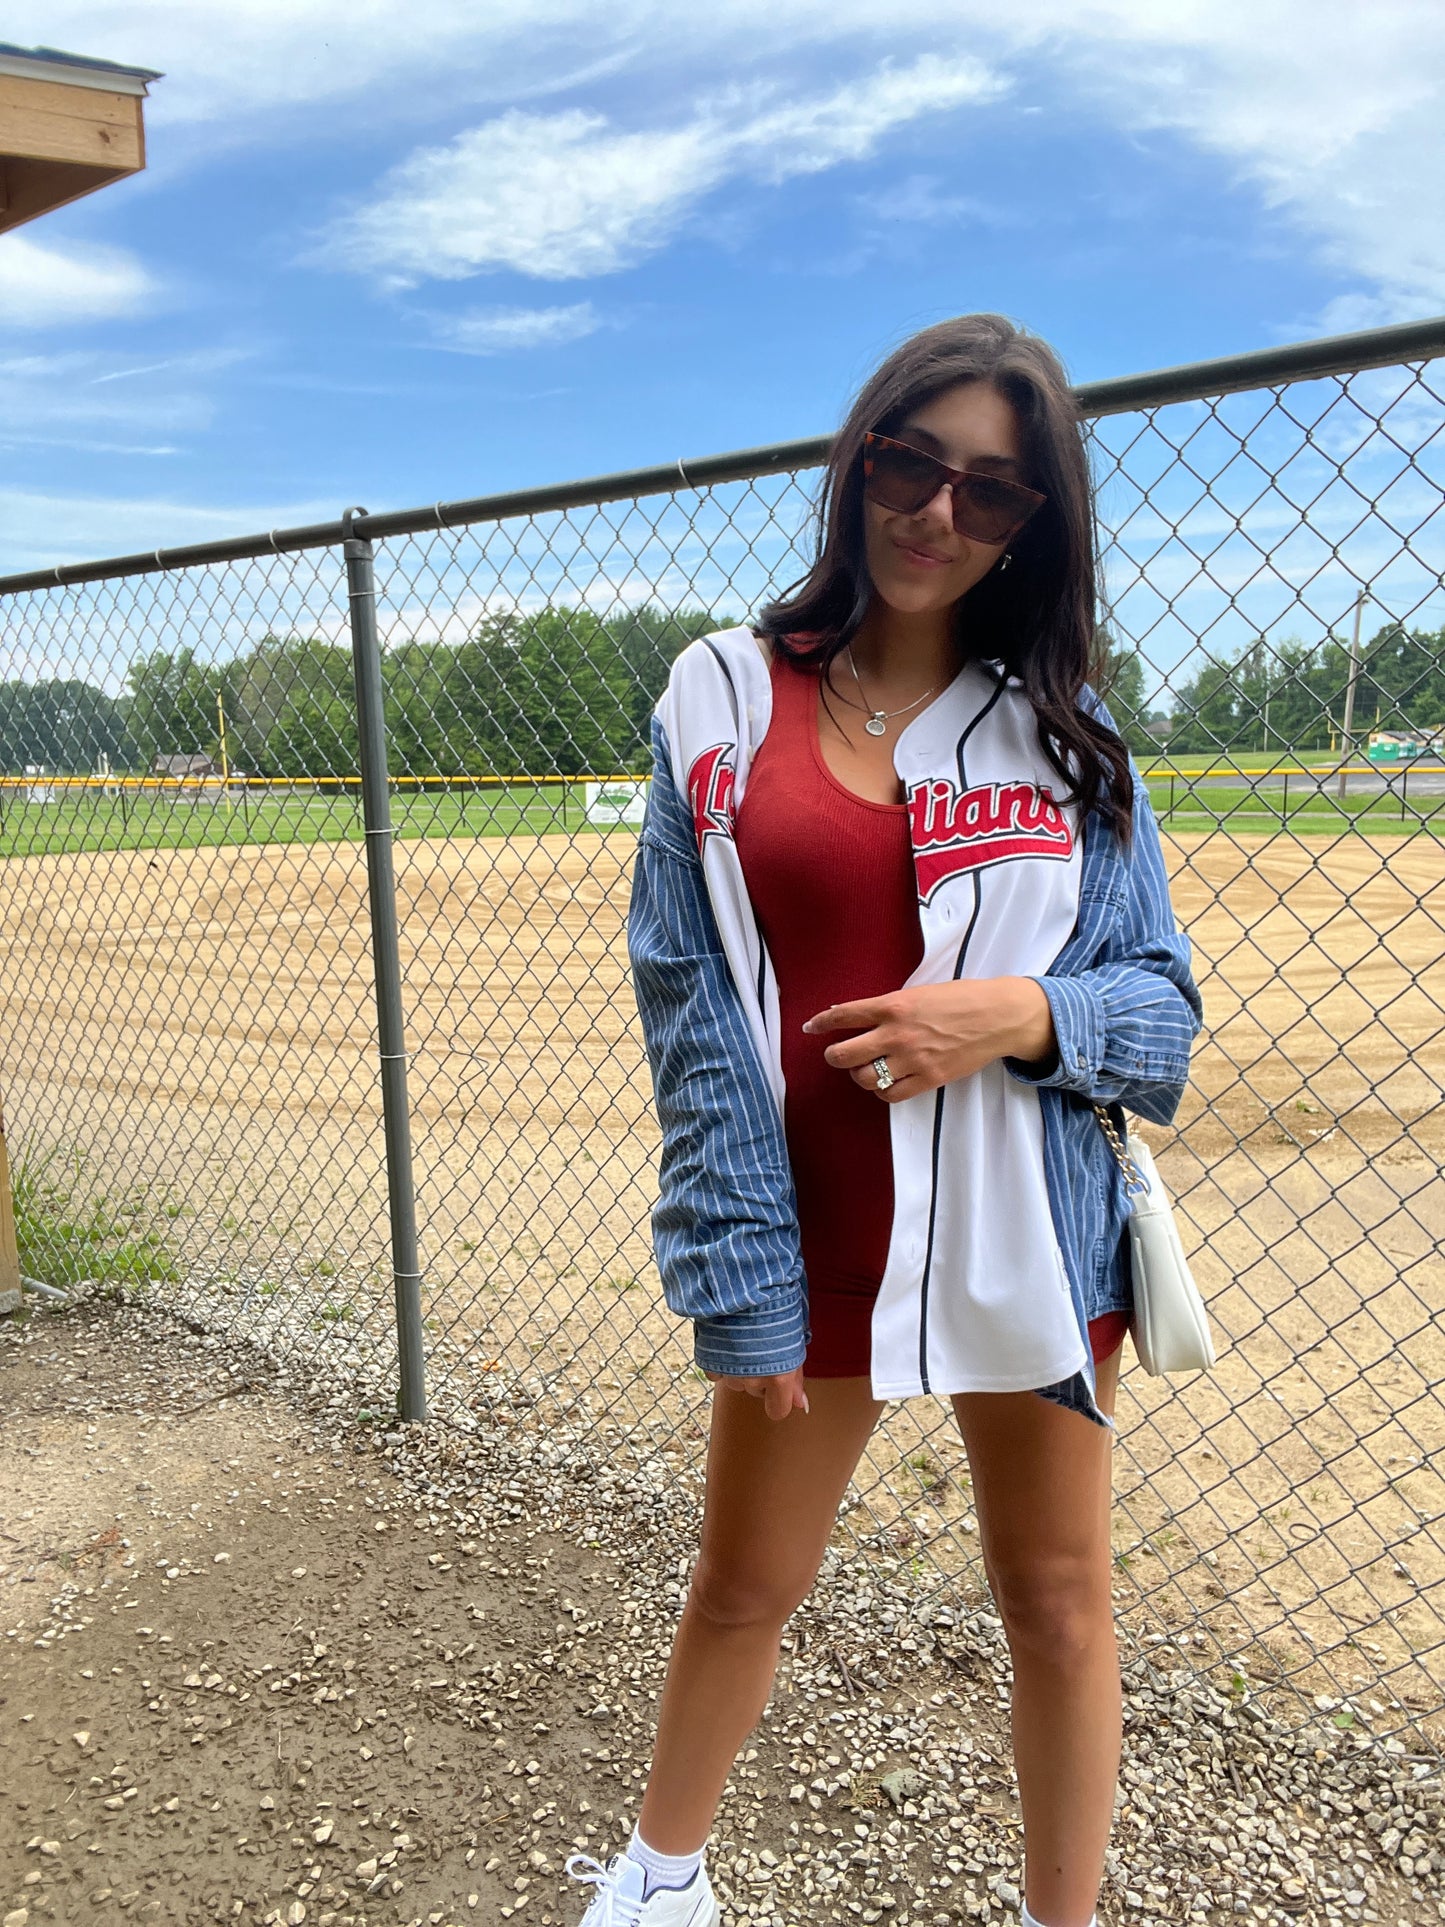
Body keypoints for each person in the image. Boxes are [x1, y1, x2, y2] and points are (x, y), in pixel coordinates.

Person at [564, 313, 1202, 1927]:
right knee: (740, 1588)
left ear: (1027, 529)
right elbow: (692, 1019)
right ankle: (659, 1883)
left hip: (1032, 1238)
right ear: (858, 464)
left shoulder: (1071, 741)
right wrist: (737, 1278)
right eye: (911, 465)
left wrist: (1023, 1013)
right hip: (816, 1229)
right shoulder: (717, 696)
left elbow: (1161, 1013)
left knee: (1056, 1603)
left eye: (989, 493)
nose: (936, 513)